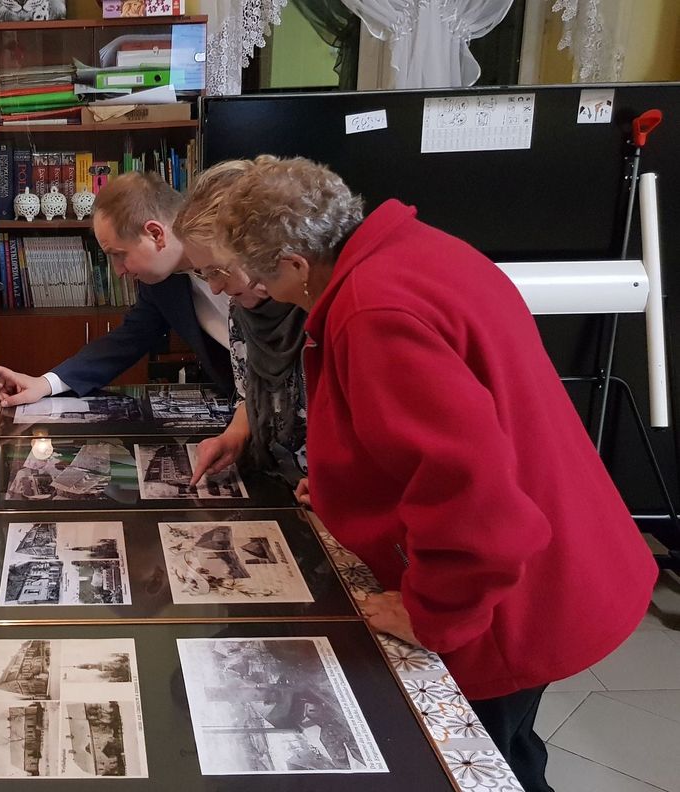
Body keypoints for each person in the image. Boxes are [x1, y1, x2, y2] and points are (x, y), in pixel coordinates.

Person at [214, 155, 657, 792]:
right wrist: (348, 487)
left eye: (250, 279)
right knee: (513, 749)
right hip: (566, 546)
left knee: (471, 763)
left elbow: (473, 497)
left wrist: (433, 616)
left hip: (511, 596)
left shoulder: (373, 310)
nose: (242, 292)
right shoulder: (415, 251)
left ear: (294, 265)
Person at [0, 172, 234, 406]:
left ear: (156, 233)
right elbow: (124, 342)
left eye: (119, 254)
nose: (118, 272)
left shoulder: (241, 254)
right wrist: (44, 384)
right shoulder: (159, 283)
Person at [170, 160, 308, 488]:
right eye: (204, 274)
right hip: (297, 482)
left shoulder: (323, 309)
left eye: (218, 270)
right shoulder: (241, 310)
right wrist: (233, 436)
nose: (215, 288)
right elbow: (251, 393)